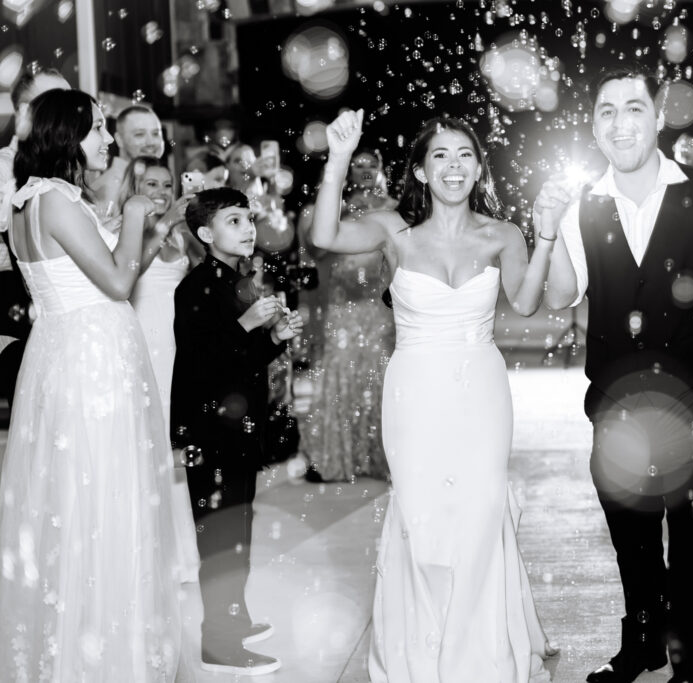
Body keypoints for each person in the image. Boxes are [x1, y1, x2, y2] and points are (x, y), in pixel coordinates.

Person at [537, 67, 693, 683]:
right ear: (594, 126)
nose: (619, 122)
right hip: (615, 402)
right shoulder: (582, 205)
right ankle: (644, 642)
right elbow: (559, 297)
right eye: (605, 111)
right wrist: (547, 229)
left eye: (633, 108)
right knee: (630, 535)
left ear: (658, 117)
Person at [310, 110, 557, 681]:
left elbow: (523, 303)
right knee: (421, 518)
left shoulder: (502, 235)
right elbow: (324, 236)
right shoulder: (393, 231)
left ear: (478, 168)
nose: (453, 165)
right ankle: (422, 643)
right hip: (415, 390)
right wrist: (340, 157)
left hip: (481, 390)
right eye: (440, 155)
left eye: (465, 154)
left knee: (479, 510)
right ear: (420, 172)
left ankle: (481, 649)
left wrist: (544, 238)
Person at [0, 88, 184, 680]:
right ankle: (103, 655)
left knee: (81, 499)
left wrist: (155, 230)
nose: (106, 140)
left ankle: (82, 638)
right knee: (102, 498)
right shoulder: (55, 201)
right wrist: (131, 218)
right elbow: (114, 281)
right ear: (65, 135)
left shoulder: (34, 200)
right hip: (92, 364)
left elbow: (122, 271)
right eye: (97, 128)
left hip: (69, 353)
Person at [171, 187, 302, 675]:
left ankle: (235, 618)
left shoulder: (235, 281)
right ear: (206, 234)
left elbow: (239, 364)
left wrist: (272, 340)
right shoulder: (196, 287)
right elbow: (200, 365)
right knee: (221, 540)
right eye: (233, 221)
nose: (248, 228)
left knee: (237, 532)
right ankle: (219, 643)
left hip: (235, 430)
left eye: (249, 219)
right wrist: (248, 324)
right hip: (211, 435)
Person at [117, 156, 203, 583]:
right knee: (148, 445)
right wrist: (163, 223)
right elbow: (125, 281)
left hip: (176, 349)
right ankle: (146, 553)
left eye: (167, 184)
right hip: (144, 348)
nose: (162, 192)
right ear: (132, 186)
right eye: (150, 183)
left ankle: (180, 553)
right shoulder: (127, 229)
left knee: (176, 451)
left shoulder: (178, 235)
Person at [298, 146, 396, 482]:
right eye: (358, 166)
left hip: (377, 308)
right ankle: (339, 458)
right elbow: (315, 249)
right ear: (349, 172)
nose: (365, 170)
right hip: (342, 306)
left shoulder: (393, 211)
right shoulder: (335, 208)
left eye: (372, 164)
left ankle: (382, 457)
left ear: (381, 169)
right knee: (339, 377)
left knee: (379, 379)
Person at [0, 68, 70, 412]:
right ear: (26, 113)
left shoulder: (68, 171)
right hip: (19, 314)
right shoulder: (3, 171)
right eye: (58, 104)